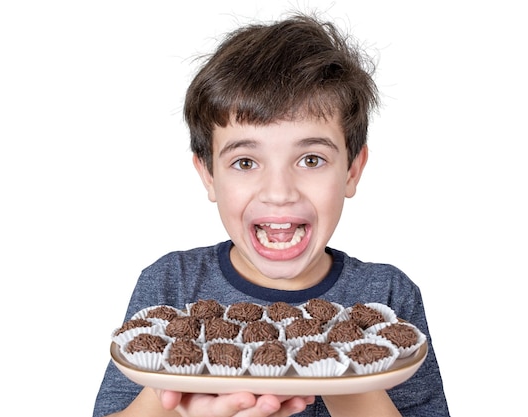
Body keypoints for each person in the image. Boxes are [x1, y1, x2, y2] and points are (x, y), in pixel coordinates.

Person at [93, 11, 450, 417]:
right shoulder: (171, 286)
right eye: (246, 162)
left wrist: (349, 370)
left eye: (311, 159)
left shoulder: (387, 296)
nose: (279, 192)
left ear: (352, 170)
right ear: (208, 175)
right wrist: (170, 396)